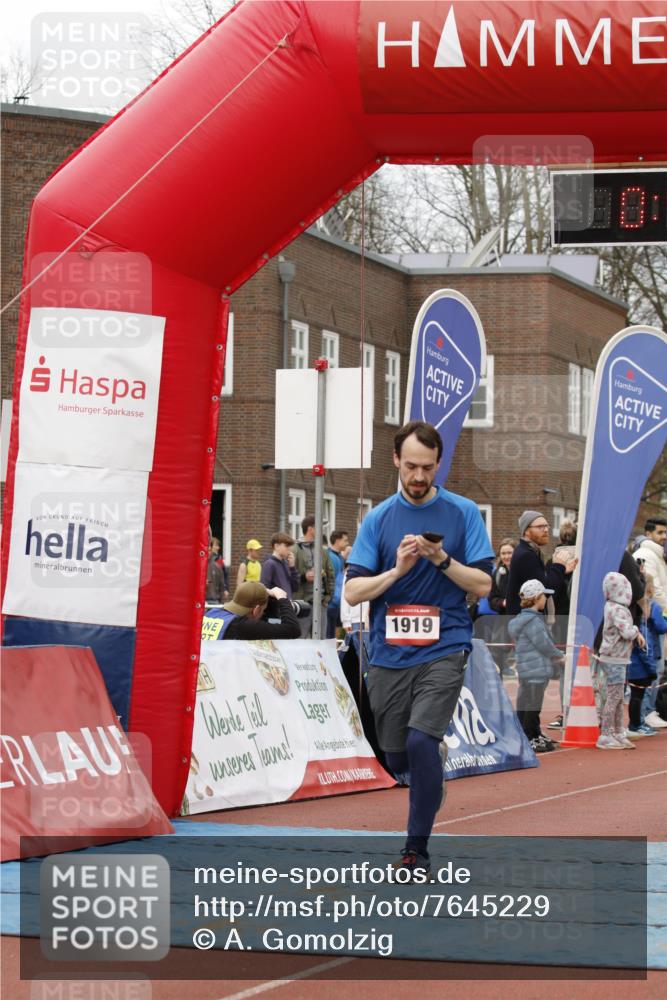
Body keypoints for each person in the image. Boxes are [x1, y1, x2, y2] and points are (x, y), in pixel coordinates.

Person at [344, 420, 494, 877]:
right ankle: (430, 764)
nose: (419, 476)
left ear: (437, 465)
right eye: (411, 466)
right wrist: (396, 571)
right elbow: (352, 593)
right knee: (396, 757)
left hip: (444, 645)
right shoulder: (379, 518)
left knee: (420, 738)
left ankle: (416, 849)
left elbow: (484, 582)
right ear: (396, 461)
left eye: (427, 468)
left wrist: (442, 560)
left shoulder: (463, 512)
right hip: (390, 652)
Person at [507, 580, 565, 753]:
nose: (546, 599)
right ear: (537, 598)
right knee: (533, 706)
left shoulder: (524, 620)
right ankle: (529, 737)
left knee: (527, 703)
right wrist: (559, 657)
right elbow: (544, 644)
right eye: (544, 596)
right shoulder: (534, 622)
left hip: (528, 669)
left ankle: (533, 732)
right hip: (536, 670)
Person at [597, 572, 646, 749]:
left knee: (616, 697)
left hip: (618, 658)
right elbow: (626, 632)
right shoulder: (618, 609)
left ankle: (617, 731)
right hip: (614, 658)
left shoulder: (611, 606)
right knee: (614, 697)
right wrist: (636, 630)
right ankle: (606, 734)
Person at [506, 511, 578, 617]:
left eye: (546, 526)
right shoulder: (526, 555)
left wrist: (563, 569)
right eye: (540, 526)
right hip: (525, 622)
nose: (546, 530)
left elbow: (541, 581)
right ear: (526, 531)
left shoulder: (527, 551)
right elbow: (545, 590)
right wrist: (558, 565)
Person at [628, 575, 667, 736]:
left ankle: (639, 721)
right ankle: (640, 721)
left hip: (635, 660)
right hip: (647, 659)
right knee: (644, 691)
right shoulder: (652, 608)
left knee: (637, 694)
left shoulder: (633, 610)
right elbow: (661, 627)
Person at [201, 581, 300, 640]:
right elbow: (293, 629)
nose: (264, 613)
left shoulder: (211, 613)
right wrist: (282, 598)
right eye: (263, 610)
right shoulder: (241, 627)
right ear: (256, 610)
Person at [295, 516, 335, 638]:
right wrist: (303, 577)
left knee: (321, 641)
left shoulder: (323, 551)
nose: (322, 531)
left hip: (321, 604)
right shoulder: (294, 550)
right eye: (320, 527)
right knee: (300, 640)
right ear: (311, 529)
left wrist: (327, 598)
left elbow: (330, 574)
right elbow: (288, 577)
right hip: (302, 604)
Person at [488, 537, 517, 678]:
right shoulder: (497, 574)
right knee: (496, 656)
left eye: (509, 552)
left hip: (522, 620)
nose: (506, 556)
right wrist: (502, 603)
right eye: (503, 553)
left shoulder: (523, 572)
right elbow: (491, 600)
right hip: (503, 620)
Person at [261, 532, 300, 598]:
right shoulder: (269, 564)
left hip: (287, 604)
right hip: (277, 606)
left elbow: (295, 587)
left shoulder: (286, 563)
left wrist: (292, 567)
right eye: (286, 546)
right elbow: (264, 589)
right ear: (276, 546)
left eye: (290, 546)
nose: (289, 549)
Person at [326, 530, 350, 639]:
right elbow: (334, 580)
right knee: (329, 632)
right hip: (333, 602)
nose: (347, 543)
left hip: (337, 601)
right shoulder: (331, 557)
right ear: (337, 540)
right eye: (345, 540)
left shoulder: (339, 557)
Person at [205, 536, 226, 605]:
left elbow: (222, 585)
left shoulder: (218, 565)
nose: (218, 548)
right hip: (201, 601)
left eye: (210, 550)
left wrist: (221, 603)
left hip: (215, 601)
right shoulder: (197, 566)